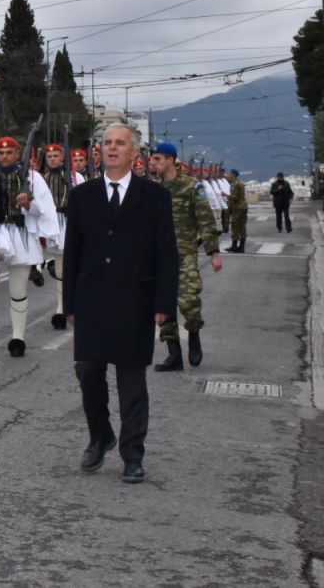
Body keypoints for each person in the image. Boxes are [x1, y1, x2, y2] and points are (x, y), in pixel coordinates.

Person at [62, 123, 179, 484]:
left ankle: (132, 454)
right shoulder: (82, 196)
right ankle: (100, 436)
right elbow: (73, 253)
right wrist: (69, 305)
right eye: (107, 144)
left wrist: (164, 304)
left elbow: (166, 254)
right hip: (92, 298)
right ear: (100, 152)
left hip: (135, 299)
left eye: (120, 144)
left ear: (134, 153)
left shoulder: (155, 197)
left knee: (132, 382)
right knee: (88, 371)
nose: (112, 149)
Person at [0, 136, 58, 357]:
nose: (4, 156)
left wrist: (29, 205)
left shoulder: (33, 178)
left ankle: (17, 338)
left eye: (9, 153)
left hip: (21, 234)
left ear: (18, 154)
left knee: (18, 291)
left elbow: (46, 209)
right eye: (1, 153)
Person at [147, 142, 223, 371]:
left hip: (184, 253)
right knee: (163, 304)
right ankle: (174, 354)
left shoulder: (192, 187)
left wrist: (214, 253)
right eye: (152, 159)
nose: (153, 163)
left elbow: (205, 220)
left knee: (189, 300)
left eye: (158, 159)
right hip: (158, 257)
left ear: (171, 160)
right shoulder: (152, 189)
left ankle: (194, 335)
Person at [41, 143, 85, 330]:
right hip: (50, 222)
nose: (52, 160)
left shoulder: (76, 177)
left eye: (55, 156)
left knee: (67, 269)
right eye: (49, 157)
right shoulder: (41, 179)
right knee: (60, 270)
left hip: (69, 222)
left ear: (62, 158)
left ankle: (66, 307)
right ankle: (61, 308)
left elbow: (85, 202)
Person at [224, 168, 247, 253]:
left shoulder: (235, 184)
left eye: (230, 174)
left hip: (238, 208)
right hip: (242, 207)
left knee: (236, 226)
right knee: (241, 226)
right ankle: (240, 247)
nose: (228, 175)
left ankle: (236, 246)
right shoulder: (239, 183)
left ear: (233, 175)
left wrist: (226, 195)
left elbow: (235, 197)